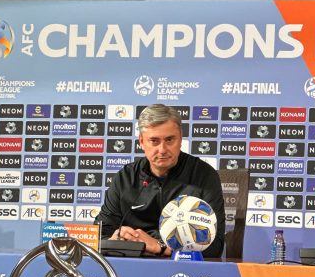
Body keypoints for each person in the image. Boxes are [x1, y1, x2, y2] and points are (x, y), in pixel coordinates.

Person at [95, 103, 225, 257]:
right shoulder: (125, 178)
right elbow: (99, 237)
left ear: (181, 139)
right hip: (133, 265)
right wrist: (117, 239)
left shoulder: (204, 175)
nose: (162, 150)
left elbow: (215, 247)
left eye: (169, 140)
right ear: (141, 142)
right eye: (154, 141)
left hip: (183, 267)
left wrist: (160, 247)